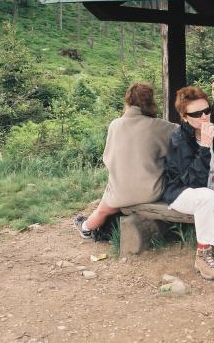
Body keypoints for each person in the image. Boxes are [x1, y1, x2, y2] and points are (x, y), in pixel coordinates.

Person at [74, 83, 177, 239]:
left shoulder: (114, 125)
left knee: (102, 210)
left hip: (119, 193)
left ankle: (85, 227)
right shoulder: (161, 126)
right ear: (151, 102)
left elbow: (107, 158)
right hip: (151, 192)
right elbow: (182, 135)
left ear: (128, 101)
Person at [162, 86, 214, 280]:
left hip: (208, 183)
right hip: (181, 190)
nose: (205, 116)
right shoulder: (179, 139)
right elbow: (193, 182)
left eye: (207, 110)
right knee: (209, 197)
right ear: (184, 117)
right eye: (197, 113)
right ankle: (203, 252)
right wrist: (205, 146)